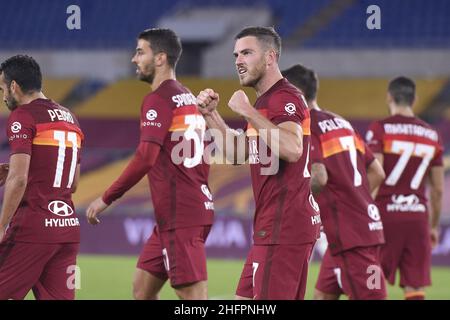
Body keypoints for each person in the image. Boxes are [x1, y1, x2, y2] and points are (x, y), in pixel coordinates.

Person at [85, 28, 214, 300]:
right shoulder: (187, 96)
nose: (134, 59)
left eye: (140, 52)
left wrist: (106, 198)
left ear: (160, 59)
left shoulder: (158, 99)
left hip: (181, 212)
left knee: (193, 298)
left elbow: (145, 157)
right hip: (185, 208)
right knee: (142, 289)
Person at [196, 27, 320, 300]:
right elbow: (238, 153)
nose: (238, 60)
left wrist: (247, 111)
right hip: (272, 227)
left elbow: (292, 148)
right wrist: (211, 115)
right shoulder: (265, 102)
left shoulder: (284, 97)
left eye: (247, 53)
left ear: (270, 58)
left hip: (284, 227)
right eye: (236, 54)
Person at [282, 64, 387, 300]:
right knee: (322, 296)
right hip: (355, 229)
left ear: (295, 93)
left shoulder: (308, 127)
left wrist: (288, 201)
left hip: (349, 236)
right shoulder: (342, 123)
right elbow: (377, 172)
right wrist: (354, 200)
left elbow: (318, 177)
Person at [0, 55, 84, 300]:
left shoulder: (23, 116)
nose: (4, 96)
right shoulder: (71, 118)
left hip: (32, 228)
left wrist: (1, 224)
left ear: (14, 86)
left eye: (3, 89)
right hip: (67, 228)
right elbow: (74, 183)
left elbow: (18, 179)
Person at [366, 76, 444, 300]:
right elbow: (438, 190)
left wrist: (364, 214)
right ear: (415, 99)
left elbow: (376, 173)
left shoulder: (380, 129)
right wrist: (433, 226)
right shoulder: (432, 135)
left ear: (389, 97)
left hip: (384, 216)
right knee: (415, 287)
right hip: (418, 218)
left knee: (372, 280)